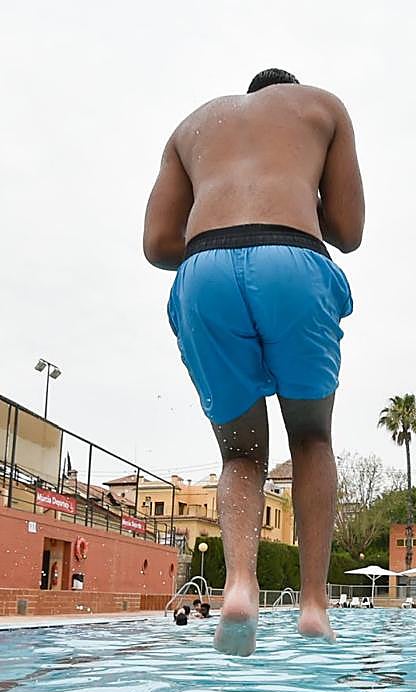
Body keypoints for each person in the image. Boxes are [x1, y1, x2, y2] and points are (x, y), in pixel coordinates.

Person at [144, 68, 365, 656]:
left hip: (203, 271)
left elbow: (156, 244)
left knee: (240, 452)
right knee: (312, 437)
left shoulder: (193, 125)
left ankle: (240, 584)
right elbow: (349, 231)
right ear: (288, 91)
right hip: (291, 260)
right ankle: (313, 604)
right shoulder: (322, 108)